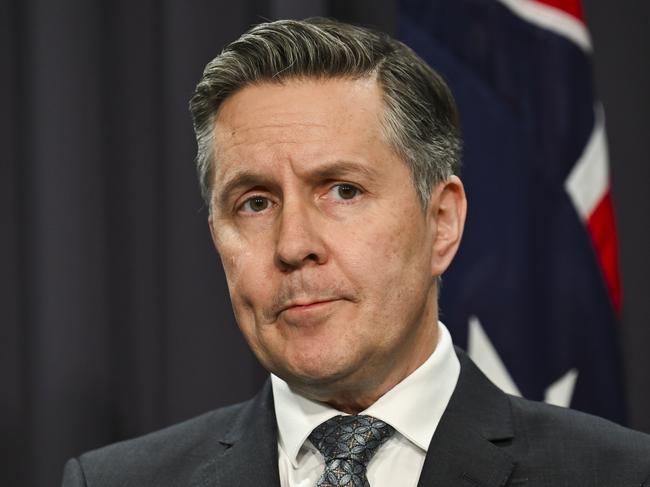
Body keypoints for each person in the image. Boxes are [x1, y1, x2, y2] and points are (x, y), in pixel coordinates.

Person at [62, 18, 650, 487]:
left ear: (441, 222)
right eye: (255, 203)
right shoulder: (116, 480)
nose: (293, 246)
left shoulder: (618, 474)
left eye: (343, 191)